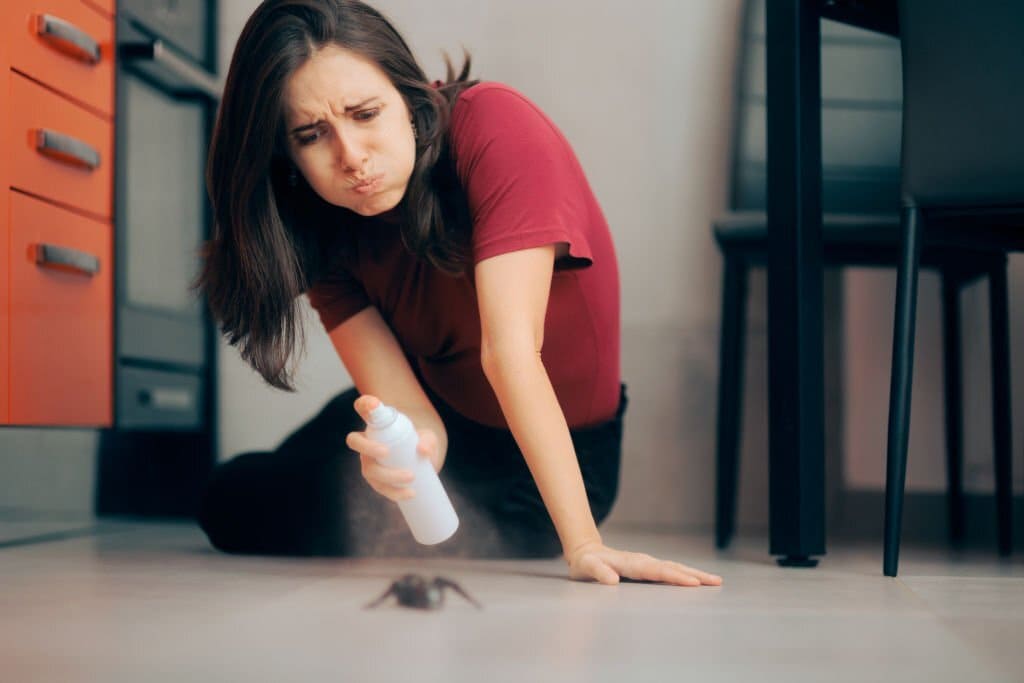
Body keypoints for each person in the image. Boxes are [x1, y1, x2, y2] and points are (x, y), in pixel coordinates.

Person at [195, 0, 721, 588]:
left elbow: (511, 352)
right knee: (231, 494)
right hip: (440, 415)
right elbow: (416, 417)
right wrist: (408, 457)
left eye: (365, 114)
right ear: (285, 157)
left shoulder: (493, 126)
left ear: (410, 98)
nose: (351, 157)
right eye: (312, 135)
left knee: (241, 502)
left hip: (549, 467)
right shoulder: (317, 223)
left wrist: (584, 544)